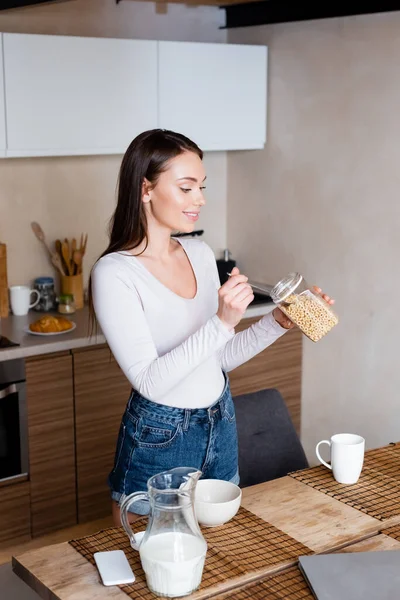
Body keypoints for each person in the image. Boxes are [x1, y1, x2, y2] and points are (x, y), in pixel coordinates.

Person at [89, 129, 334, 524]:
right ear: (145, 189)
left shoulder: (199, 253)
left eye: (201, 187)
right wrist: (221, 321)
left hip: (220, 422)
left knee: (222, 553)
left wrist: (277, 322)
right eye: (186, 188)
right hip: (160, 436)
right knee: (147, 565)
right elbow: (149, 381)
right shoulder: (115, 273)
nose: (200, 199)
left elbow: (216, 359)